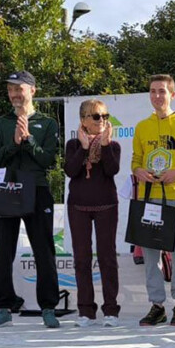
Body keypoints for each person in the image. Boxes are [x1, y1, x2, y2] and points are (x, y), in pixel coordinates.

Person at [0, 71, 61, 329]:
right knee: (3, 250)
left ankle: (49, 307)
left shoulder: (47, 123)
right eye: (11, 89)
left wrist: (27, 140)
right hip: (5, 190)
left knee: (44, 250)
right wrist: (13, 144)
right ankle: (4, 306)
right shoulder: (0, 122)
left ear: (33, 90)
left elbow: (48, 160)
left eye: (20, 88)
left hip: (37, 190)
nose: (15, 94)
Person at [131, 74, 175, 326]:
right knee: (150, 253)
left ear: (172, 94)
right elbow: (135, 161)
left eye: (162, 91)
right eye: (152, 91)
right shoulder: (142, 126)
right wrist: (139, 172)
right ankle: (156, 305)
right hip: (148, 198)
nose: (157, 96)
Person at [63, 98, 121, 327]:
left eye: (105, 116)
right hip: (78, 206)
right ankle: (86, 311)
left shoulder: (113, 145)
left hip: (107, 205)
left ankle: (111, 310)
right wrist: (84, 148)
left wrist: (104, 145)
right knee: (81, 259)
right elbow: (70, 170)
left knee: (107, 258)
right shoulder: (73, 145)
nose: (102, 120)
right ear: (84, 120)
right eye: (96, 116)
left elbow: (111, 169)